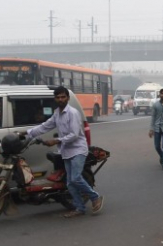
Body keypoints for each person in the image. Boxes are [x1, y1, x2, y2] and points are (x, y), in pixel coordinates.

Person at [25, 86, 104, 218]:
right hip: (66, 151)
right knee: (69, 183)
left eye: (63, 97)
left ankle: (95, 197)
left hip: (78, 150)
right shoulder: (57, 113)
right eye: (58, 97)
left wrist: (56, 141)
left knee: (75, 178)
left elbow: (74, 134)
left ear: (67, 98)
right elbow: (45, 126)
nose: (60, 99)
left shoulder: (73, 113)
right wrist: (27, 133)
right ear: (55, 99)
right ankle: (80, 208)